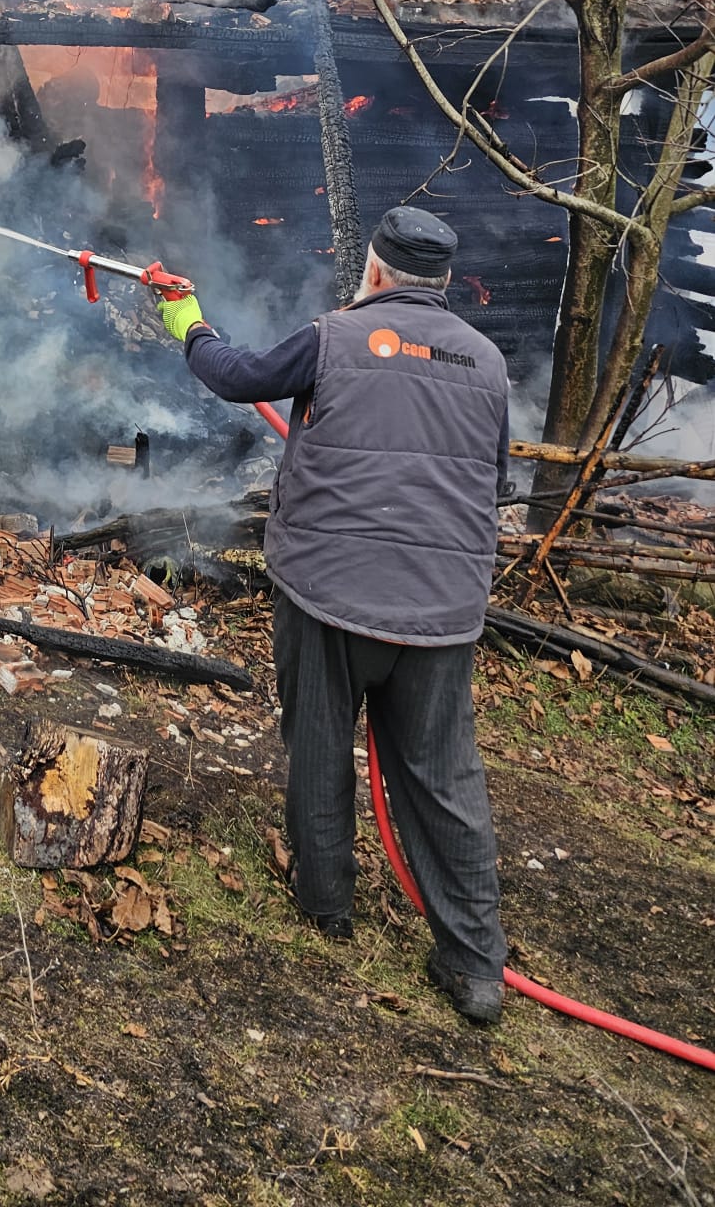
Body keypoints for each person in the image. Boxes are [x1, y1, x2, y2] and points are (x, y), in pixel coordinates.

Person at [160, 206, 512, 1025]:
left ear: (377, 272)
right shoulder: (488, 362)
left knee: (320, 746)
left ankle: (328, 909)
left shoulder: (336, 336)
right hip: (442, 612)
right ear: (445, 283)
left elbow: (240, 377)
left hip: (328, 595)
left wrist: (188, 321)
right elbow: (490, 483)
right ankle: (475, 966)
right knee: (444, 778)